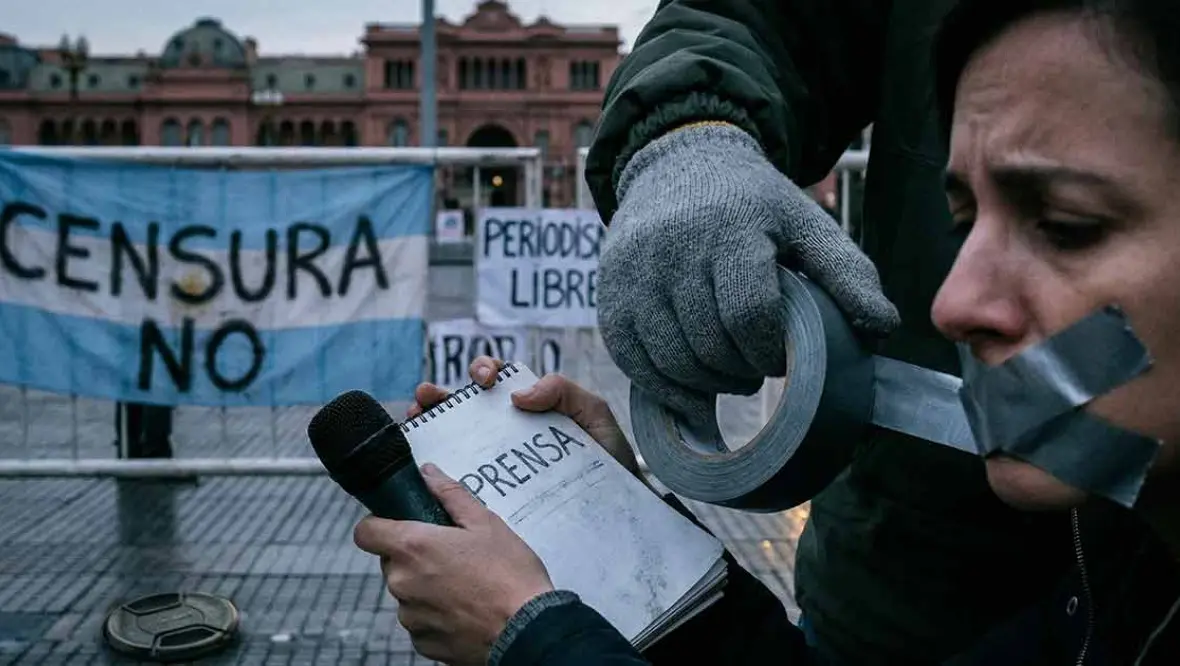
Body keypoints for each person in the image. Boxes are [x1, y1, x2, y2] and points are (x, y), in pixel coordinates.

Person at [353, 1, 1180, 664]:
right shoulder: (1109, 578)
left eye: (1067, 224)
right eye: (958, 216)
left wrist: (532, 638)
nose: (947, 304)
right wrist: (625, 545)